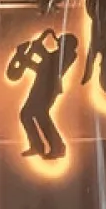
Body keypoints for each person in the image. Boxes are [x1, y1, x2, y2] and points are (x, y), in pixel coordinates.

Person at [6, 30, 78, 160]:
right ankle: (39, 146)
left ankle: (56, 147)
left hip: (48, 88)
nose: (58, 42)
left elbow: (51, 66)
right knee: (28, 114)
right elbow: (42, 68)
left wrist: (40, 50)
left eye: (61, 40)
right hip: (41, 86)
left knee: (38, 115)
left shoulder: (68, 55)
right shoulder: (57, 54)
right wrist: (26, 61)